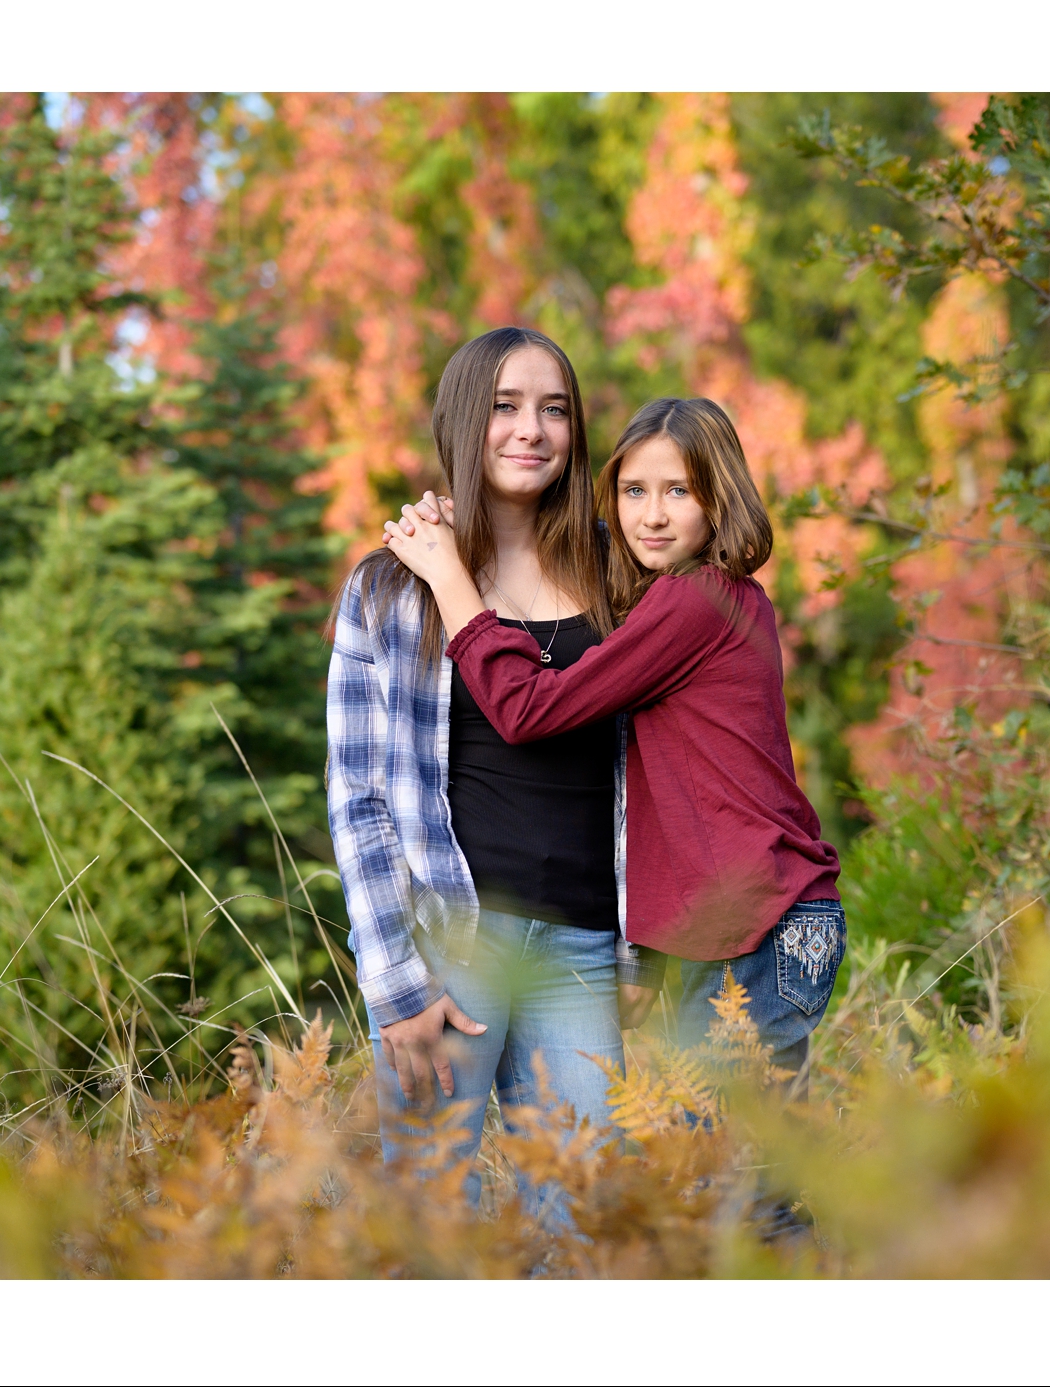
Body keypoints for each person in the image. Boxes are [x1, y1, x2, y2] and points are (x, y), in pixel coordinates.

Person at [383, 396, 845, 1082]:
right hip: (753, 923)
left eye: (678, 492)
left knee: (728, 1174)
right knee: (731, 1170)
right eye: (634, 490)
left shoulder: (696, 598)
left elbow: (528, 711)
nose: (651, 515)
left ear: (720, 502)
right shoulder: (721, 598)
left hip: (759, 930)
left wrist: (453, 577)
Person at [326, 328, 663, 1219]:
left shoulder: (622, 575)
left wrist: (640, 943)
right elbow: (358, 801)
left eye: (555, 409)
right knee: (432, 1224)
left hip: (584, 946)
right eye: (507, 407)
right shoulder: (390, 592)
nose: (532, 429)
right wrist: (395, 983)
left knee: (592, 1223)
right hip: (450, 943)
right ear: (464, 421)